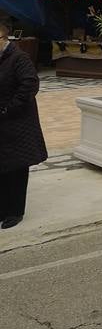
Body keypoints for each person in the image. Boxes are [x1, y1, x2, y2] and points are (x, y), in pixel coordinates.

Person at [0, 21, 47, 229]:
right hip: (3, 124)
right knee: (3, 167)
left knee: (17, 168)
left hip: (18, 122)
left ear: (3, 39)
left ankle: (15, 211)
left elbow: (30, 84)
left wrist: (9, 108)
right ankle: (3, 208)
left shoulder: (19, 58)